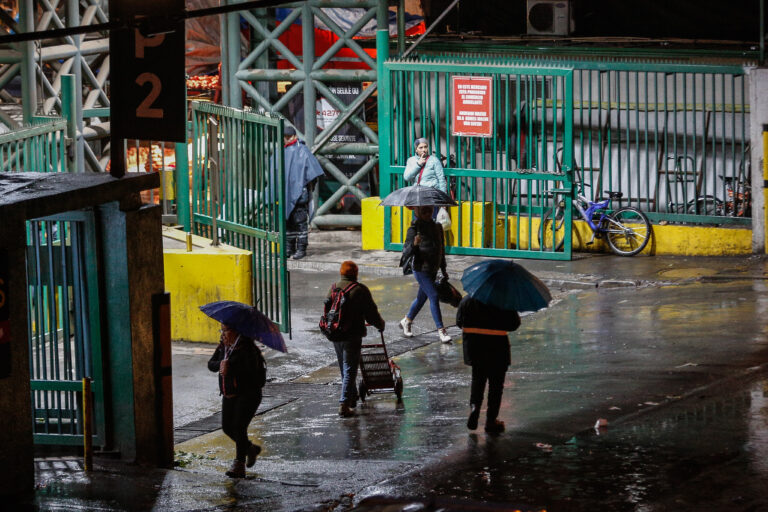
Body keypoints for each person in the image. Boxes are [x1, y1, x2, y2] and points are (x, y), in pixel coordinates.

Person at [327, 260, 386, 417]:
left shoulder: (333, 288)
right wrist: (380, 325)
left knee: (344, 367)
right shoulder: (359, 290)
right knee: (350, 368)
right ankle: (344, 404)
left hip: (335, 334)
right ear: (355, 273)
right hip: (352, 335)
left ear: (341, 273)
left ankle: (352, 397)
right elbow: (371, 313)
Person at [455, 295, 521, 434]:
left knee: (478, 380)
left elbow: (459, 322)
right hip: (497, 348)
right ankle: (491, 421)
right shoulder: (504, 300)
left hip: (475, 348)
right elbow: (514, 324)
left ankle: (474, 408)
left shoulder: (468, 300)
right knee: (496, 386)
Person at [207, 324, 266, 478]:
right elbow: (211, 365)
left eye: (225, 330)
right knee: (227, 427)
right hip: (229, 394)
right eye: (221, 330)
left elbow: (251, 374)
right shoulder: (223, 346)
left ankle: (239, 465)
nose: (223, 333)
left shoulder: (247, 348)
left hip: (248, 394)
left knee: (239, 427)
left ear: (236, 331)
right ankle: (250, 449)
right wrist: (220, 364)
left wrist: (231, 367)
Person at [399, 205, 452, 343]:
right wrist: (414, 244)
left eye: (430, 210)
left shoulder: (438, 227)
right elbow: (406, 252)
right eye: (424, 211)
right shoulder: (414, 228)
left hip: (433, 268)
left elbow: (441, 249)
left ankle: (407, 320)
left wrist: (443, 268)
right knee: (433, 296)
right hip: (420, 268)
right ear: (417, 212)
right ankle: (441, 330)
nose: (428, 214)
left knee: (421, 298)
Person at [282, 125, 324, 260]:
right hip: (289, 194)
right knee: (288, 222)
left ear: (295, 136)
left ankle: (301, 248)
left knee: (299, 223)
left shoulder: (302, 150)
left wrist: (304, 186)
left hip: (300, 194)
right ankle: (289, 248)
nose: (287, 139)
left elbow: (312, 172)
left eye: (289, 137)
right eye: (285, 137)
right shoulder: (284, 151)